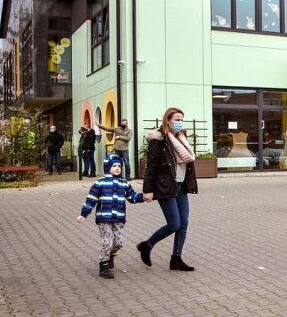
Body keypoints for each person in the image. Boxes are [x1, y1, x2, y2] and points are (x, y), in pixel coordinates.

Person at [138, 107, 198, 271]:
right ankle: (147, 245)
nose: (180, 122)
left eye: (182, 119)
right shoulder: (158, 139)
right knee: (174, 224)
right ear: (168, 119)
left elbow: (188, 163)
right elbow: (151, 167)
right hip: (166, 186)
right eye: (177, 119)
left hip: (181, 186)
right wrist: (147, 190)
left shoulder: (181, 137)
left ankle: (176, 259)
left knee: (183, 224)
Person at [77, 155, 143, 278]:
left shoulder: (124, 183)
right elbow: (91, 199)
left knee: (118, 242)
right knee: (107, 242)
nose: (117, 168)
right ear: (108, 167)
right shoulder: (100, 183)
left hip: (119, 218)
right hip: (104, 218)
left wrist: (143, 197)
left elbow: (132, 197)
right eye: (114, 166)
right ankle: (104, 266)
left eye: (119, 166)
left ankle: (111, 256)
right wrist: (84, 214)